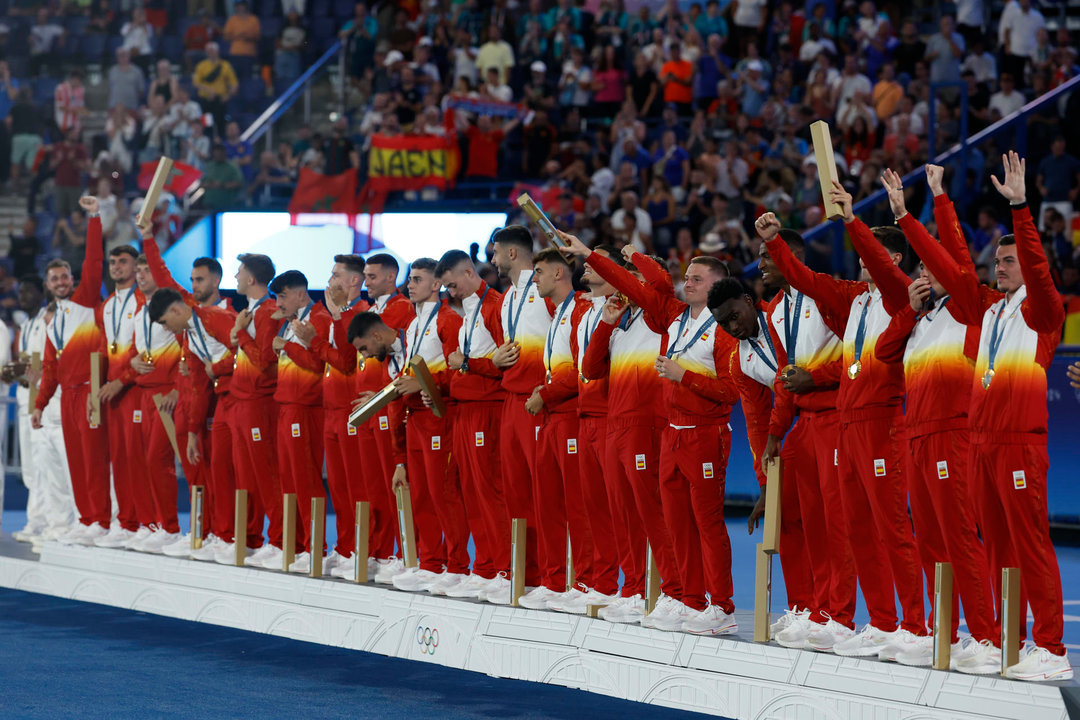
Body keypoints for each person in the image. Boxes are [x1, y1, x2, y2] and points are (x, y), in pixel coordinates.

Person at [902, 151, 1069, 682]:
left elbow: (1038, 272)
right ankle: (1011, 641)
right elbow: (951, 263)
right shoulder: (988, 310)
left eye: (1008, 262)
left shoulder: (1042, 311)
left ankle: (1051, 648)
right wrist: (920, 212)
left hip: (1020, 441)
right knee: (997, 547)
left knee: (1030, 544)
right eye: (996, 263)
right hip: (979, 443)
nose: (999, 269)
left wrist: (1020, 207)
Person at [757, 183, 928, 658]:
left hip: (880, 423)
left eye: (870, 258)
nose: (860, 265)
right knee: (853, 526)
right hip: (849, 423)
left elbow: (878, 267)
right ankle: (881, 622)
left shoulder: (899, 298)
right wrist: (775, 242)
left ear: (892, 261)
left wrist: (850, 221)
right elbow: (806, 280)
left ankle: (914, 625)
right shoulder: (856, 300)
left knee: (891, 527)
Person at [565, 231, 740, 635]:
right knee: (673, 522)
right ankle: (689, 599)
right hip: (669, 433)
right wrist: (590, 254)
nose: (688, 282)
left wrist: (686, 377)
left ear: (718, 286)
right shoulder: (674, 318)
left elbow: (731, 392)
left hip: (701, 432)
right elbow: (629, 288)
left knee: (706, 524)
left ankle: (722, 606)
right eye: (688, 277)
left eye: (697, 278)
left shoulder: (723, 327)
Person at [869, 166, 998, 669]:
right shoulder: (920, 322)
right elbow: (881, 353)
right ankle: (940, 633)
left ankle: (985, 637)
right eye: (918, 270)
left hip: (953, 436)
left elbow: (957, 257)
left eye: (927, 269)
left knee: (960, 538)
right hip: (917, 439)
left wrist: (918, 209)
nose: (922, 275)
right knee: (929, 540)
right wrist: (908, 309)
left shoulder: (970, 308)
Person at [143, 244, 240, 563]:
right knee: (202, 474)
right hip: (198, 405)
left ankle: (226, 534)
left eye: (200, 280)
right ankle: (206, 532)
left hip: (225, 403)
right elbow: (164, 277)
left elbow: (248, 354)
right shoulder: (192, 323)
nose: (194, 286)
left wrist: (216, 369)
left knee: (220, 475)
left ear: (216, 280)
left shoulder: (219, 316)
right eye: (192, 281)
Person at [544, 246, 624, 614]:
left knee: (613, 508)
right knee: (590, 506)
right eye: (587, 265)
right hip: (585, 415)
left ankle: (622, 585)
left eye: (595, 266)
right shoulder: (583, 313)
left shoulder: (615, 310)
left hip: (609, 415)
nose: (587, 270)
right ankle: (597, 582)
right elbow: (584, 366)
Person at [385, 258, 469, 593]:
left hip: (438, 417)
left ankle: (459, 566)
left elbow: (454, 370)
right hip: (416, 419)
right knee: (421, 494)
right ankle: (431, 563)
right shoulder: (414, 324)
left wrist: (422, 386)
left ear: (436, 284)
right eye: (410, 279)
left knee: (443, 493)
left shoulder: (449, 320)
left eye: (417, 279)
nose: (410, 284)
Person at [513, 248, 589, 610]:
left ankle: (584, 581)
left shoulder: (580, 310)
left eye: (539, 272)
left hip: (570, 415)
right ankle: (553, 580)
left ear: (559, 274)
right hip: (551, 418)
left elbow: (580, 370)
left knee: (576, 503)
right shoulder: (558, 312)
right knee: (548, 504)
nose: (535, 278)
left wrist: (545, 392)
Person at [32, 196, 110, 545]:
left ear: (71, 279)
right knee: (75, 461)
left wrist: (94, 218)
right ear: (48, 285)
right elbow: (50, 369)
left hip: (91, 391)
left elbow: (94, 262)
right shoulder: (54, 324)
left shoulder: (84, 300)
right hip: (67, 398)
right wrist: (40, 404)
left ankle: (102, 521)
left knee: (93, 459)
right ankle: (86, 518)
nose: (61, 281)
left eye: (65, 276)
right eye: (55, 278)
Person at [485, 226, 555, 605]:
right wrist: (494, 360)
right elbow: (504, 347)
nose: (492, 260)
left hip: (536, 401)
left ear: (512, 254)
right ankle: (523, 573)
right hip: (509, 401)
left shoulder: (544, 293)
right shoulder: (506, 298)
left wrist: (547, 389)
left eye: (496, 253)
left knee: (540, 491)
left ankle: (550, 575)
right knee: (514, 492)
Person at [435, 250, 510, 599]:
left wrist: (467, 363)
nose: (450, 292)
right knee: (472, 493)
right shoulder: (466, 312)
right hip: (466, 410)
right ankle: (484, 566)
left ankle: (504, 568)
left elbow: (506, 363)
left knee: (490, 491)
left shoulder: (495, 306)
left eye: (452, 284)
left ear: (469, 272)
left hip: (487, 409)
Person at [354, 254, 415, 584]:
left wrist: (379, 397)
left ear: (392, 276)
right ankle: (381, 550)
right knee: (374, 485)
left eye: (373, 276)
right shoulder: (370, 312)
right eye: (365, 276)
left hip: (387, 405)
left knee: (394, 483)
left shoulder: (399, 309)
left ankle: (400, 552)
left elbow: (393, 358)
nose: (367, 283)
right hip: (371, 408)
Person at [268, 270, 332, 573]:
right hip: (287, 405)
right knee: (289, 481)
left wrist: (287, 346)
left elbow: (319, 365)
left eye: (282, 296)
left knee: (305, 479)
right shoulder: (291, 321)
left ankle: (314, 546)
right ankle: (294, 545)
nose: (277, 302)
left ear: (300, 294)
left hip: (306, 409)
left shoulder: (318, 318)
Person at [225, 253, 285, 566]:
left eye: (238, 272)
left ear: (251, 279)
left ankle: (278, 540)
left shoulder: (270, 313)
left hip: (260, 403)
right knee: (246, 477)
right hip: (243, 401)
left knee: (266, 475)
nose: (234, 277)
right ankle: (249, 539)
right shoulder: (252, 311)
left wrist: (240, 334)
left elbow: (264, 362)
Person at [89, 245, 146, 550]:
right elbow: (101, 350)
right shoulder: (106, 305)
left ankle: (140, 522)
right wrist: (94, 388)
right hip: (112, 392)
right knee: (119, 460)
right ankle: (125, 522)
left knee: (137, 458)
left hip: (135, 389)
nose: (116, 266)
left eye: (123, 262)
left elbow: (142, 350)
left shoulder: (142, 302)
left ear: (135, 267)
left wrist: (122, 381)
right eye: (112, 262)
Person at [8, 276, 73, 544]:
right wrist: (17, 373)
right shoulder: (27, 325)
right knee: (32, 469)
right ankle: (38, 520)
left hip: (49, 401)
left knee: (52, 468)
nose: (23, 297)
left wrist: (35, 377)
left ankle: (55, 522)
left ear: (41, 292)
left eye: (28, 291)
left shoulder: (52, 320)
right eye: (20, 292)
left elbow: (51, 366)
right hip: (28, 398)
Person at [193, 43, 238, 136]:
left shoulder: (225, 66)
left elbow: (234, 84)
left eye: (212, 50)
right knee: (206, 125)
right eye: (208, 51)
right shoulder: (201, 66)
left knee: (221, 124)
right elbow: (196, 83)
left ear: (217, 52)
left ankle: (220, 143)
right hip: (206, 101)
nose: (210, 53)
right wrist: (209, 90)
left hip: (220, 101)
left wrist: (228, 95)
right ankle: (208, 140)